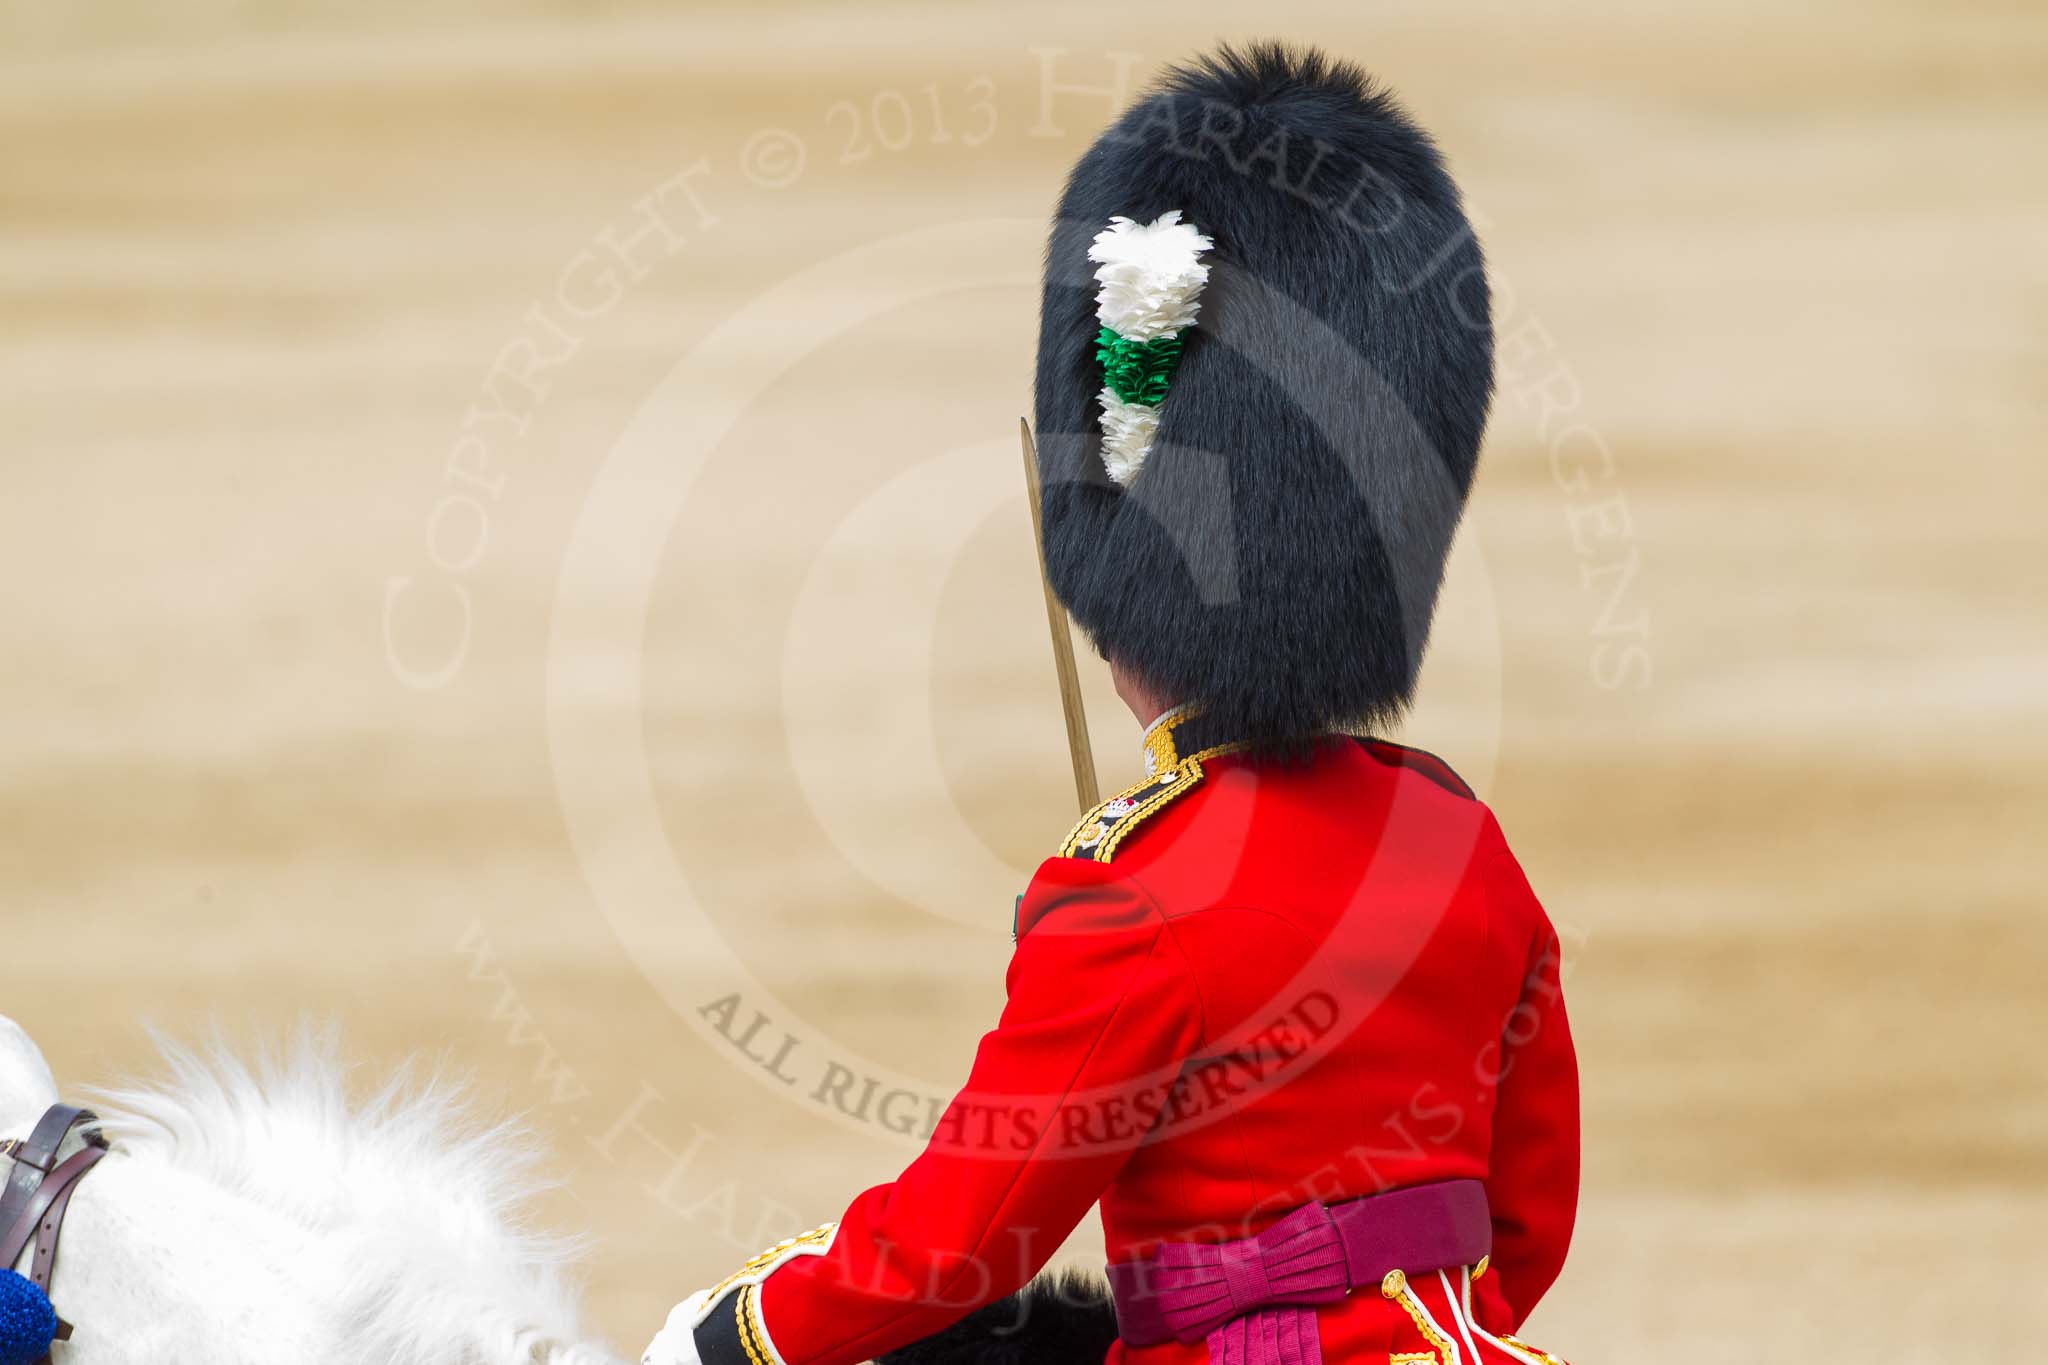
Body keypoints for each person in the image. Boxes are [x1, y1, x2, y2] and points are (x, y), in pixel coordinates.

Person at [643, 42, 1578, 1365]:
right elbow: (1525, 1221)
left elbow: (963, 1241)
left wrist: (737, 1335)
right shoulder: (1458, 839)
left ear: (1130, 591)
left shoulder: (1130, 898)